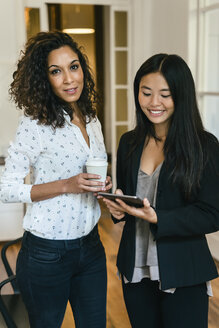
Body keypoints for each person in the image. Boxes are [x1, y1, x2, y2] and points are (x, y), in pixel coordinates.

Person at [0, 31, 112, 328]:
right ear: (44, 78)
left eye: (74, 67)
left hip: (91, 247)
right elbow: (7, 188)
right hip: (47, 254)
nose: (69, 79)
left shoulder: (91, 118)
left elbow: (90, 174)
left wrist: (102, 186)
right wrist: (67, 185)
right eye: (56, 71)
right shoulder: (35, 124)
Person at [101, 53, 219, 328]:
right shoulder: (129, 142)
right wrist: (118, 210)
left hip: (184, 271)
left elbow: (213, 214)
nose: (154, 103)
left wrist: (159, 218)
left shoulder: (204, 146)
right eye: (146, 93)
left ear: (182, 95)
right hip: (136, 269)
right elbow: (130, 203)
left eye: (165, 94)